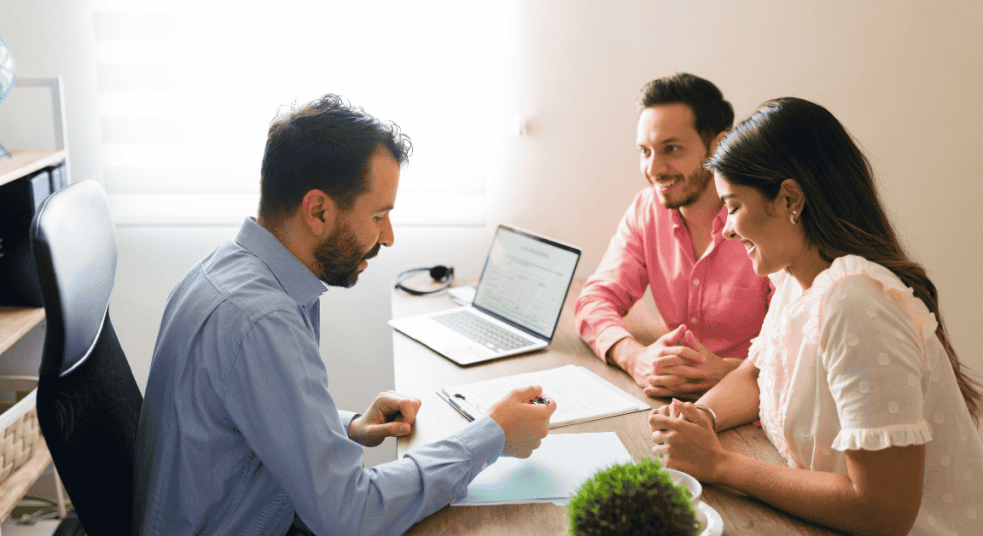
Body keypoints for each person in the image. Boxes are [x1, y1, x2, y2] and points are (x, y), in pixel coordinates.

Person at [132, 94, 557, 536]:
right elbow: (352, 515)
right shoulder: (262, 322)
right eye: (378, 215)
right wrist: (492, 436)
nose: (388, 236)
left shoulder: (225, 270)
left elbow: (239, 419)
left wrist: (346, 426)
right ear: (318, 210)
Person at [649, 97, 983, 535]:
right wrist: (701, 419)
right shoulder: (797, 277)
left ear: (790, 198)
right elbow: (755, 375)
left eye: (732, 206)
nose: (727, 228)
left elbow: (882, 512)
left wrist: (718, 463)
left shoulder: (858, 305)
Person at [575, 73, 773, 399]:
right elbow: (595, 300)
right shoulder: (647, 209)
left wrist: (728, 372)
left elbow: (802, 343)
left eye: (671, 149)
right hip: (671, 401)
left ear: (719, 145)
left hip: (758, 406)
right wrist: (634, 357)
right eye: (645, 151)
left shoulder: (765, 218)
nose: (654, 169)